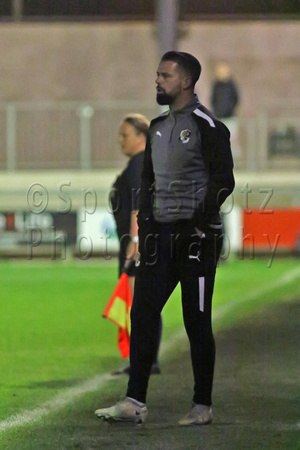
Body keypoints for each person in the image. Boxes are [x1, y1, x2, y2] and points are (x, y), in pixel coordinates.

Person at [95, 51, 234, 425]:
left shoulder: (209, 126)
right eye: (157, 74)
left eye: (165, 75)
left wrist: (199, 225)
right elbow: (148, 184)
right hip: (162, 239)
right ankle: (134, 401)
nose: (157, 80)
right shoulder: (156, 127)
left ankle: (202, 406)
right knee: (141, 314)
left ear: (186, 81)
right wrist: (150, 228)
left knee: (196, 320)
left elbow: (224, 182)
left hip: (198, 239)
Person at [109, 114, 161, 376]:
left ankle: (144, 360)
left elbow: (137, 209)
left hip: (136, 244)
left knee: (138, 304)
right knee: (144, 303)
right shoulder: (143, 164)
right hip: (139, 242)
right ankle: (146, 359)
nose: (121, 140)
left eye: (125, 135)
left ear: (141, 137)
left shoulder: (139, 165)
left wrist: (134, 243)